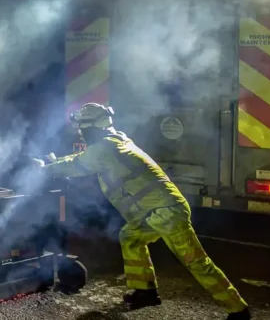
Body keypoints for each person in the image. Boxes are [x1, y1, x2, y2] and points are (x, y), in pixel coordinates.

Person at [33, 103, 250, 319]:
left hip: (166, 213)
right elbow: (79, 161)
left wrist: (44, 168)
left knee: (197, 262)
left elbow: (77, 165)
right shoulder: (114, 142)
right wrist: (53, 162)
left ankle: (238, 309)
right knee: (130, 237)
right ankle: (145, 291)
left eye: (82, 127)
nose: (80, 131)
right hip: (154, 213)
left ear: (92, 127)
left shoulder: (106, 148)